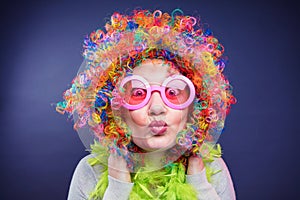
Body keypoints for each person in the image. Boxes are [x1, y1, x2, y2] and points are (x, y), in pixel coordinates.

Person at [57, 9, 236, 200]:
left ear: (193, 109)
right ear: (115, 110)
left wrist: (200, 186)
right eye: (139, 93)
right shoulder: (90, 172)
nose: (157, 108)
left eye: (173, 92)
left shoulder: (213, 170)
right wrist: (117, 189)